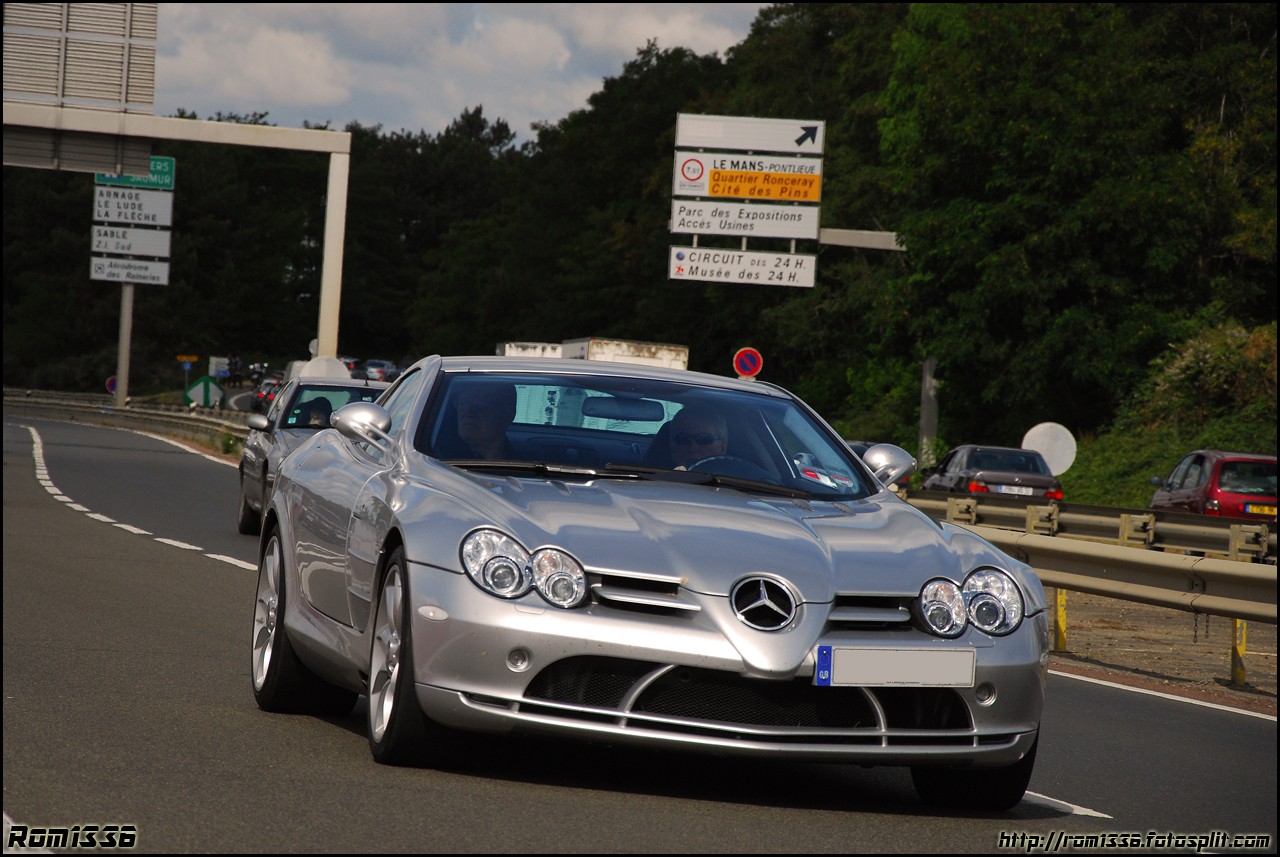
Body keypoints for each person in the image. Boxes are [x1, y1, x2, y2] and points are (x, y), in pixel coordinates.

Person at [453, 382, 516, 459]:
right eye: (462, 403)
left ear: (508, 415)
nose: (468, 413)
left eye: (480, 404)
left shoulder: (523, 466)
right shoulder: (439, 463)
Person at [668, 404, 728, 469]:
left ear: (722, 448)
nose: (693, 448)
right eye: (683, 439)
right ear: (672, 446)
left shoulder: (735, 478)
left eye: (704, 439)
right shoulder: (658, 477)